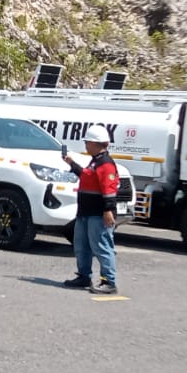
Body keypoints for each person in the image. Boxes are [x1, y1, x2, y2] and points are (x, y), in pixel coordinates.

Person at [61, 124, 118, 294]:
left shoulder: (105, 163)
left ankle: (109, 282)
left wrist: (108, 210)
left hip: (97, 214)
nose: (86, 145)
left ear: (95, 143)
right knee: (82, 246)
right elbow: (87, 176)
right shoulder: (95, 161)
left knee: (102, 247)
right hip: (85, 212)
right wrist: (72, 164)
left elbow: (109, 188)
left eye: (87, 142)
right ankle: (84, 276)